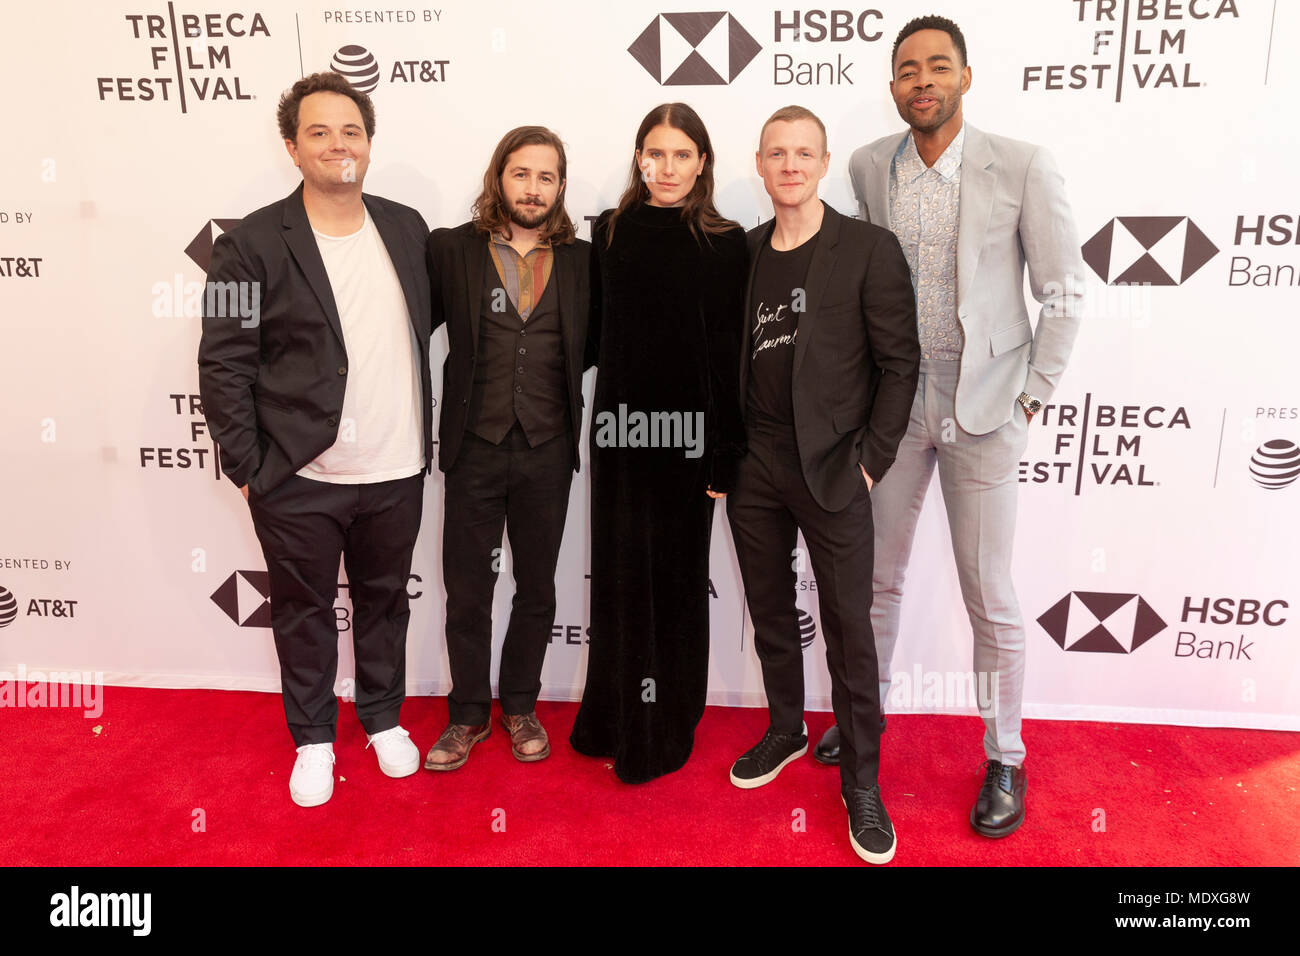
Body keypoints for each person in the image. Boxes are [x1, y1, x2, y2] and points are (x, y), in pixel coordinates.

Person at [816, 15, 1084, 838]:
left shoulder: (1024, 165)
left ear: (966, 76)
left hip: (987, 406)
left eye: (938, 66)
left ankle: (1005, 754)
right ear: (893, 86)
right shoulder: (869, 167)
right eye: (906, 70)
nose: (921, 80)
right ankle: (866, 721)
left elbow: (1064, 291)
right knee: (873, 582)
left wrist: (1030, 398)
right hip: (894, 403)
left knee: (989, 594)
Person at [198, 72, 432, 807]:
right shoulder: (249, 242)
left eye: (352, 131)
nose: (340, 145)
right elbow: (223, 358)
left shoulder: (407, 227)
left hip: (396, 467)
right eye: (321, 132)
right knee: (301, 610)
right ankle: (314, 739)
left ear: (370, 142)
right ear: (293, 147)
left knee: (385, 599)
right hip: (298, 473)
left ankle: (384, 718)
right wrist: (247, 466)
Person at [725, 107, 918, 863]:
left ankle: (863, 783)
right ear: (762, 165)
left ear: (825, 160)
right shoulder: (742, 254)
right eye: (778, 153)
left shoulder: (868, 249)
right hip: (756, 467)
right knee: (770, 611)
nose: (791, 165)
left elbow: (900, 364)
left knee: (849, 634)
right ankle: (784, 727)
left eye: (804, 152)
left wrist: (871, 460)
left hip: (837, 467)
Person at [570, 103, 747, 784]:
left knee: (674, 585)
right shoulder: (611, 233)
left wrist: (725, 453)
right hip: (618, 435)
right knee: (617, 579)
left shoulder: (726, 241)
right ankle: (611, 717)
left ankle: (665, 726)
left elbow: (730, 356)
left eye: (681, 154)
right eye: (655, 153)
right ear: (638, 157)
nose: (666, 167)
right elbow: (594, 339)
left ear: (702, 161)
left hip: (690, 446)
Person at [423, 127, 590, 770]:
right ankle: (467, 714)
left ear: (560, 187)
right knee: (467, 589)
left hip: (548, 449)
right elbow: (409, 325)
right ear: (500, 178)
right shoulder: (452, 251)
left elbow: (593, 343)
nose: (532, 187)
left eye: (546, 177)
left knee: (537, 587)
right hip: (475, 447)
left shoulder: (582, 260)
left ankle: (520, 703)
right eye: (521, 174)